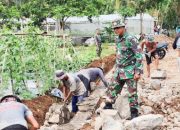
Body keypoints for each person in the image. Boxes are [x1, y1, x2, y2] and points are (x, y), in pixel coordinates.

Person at [105, 20, 143, 120]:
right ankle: (108, 105)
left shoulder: (131, 39)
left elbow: (139, 55)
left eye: (117, 28)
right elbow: (118, 54)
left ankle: (134, 113)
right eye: (114, 29)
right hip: (119, 70)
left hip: (130, 70)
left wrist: (137, 71)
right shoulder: (117, 39)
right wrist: (115, 68)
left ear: (123, 27)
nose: (116, 30)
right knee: (113, 88)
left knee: (132, 93)